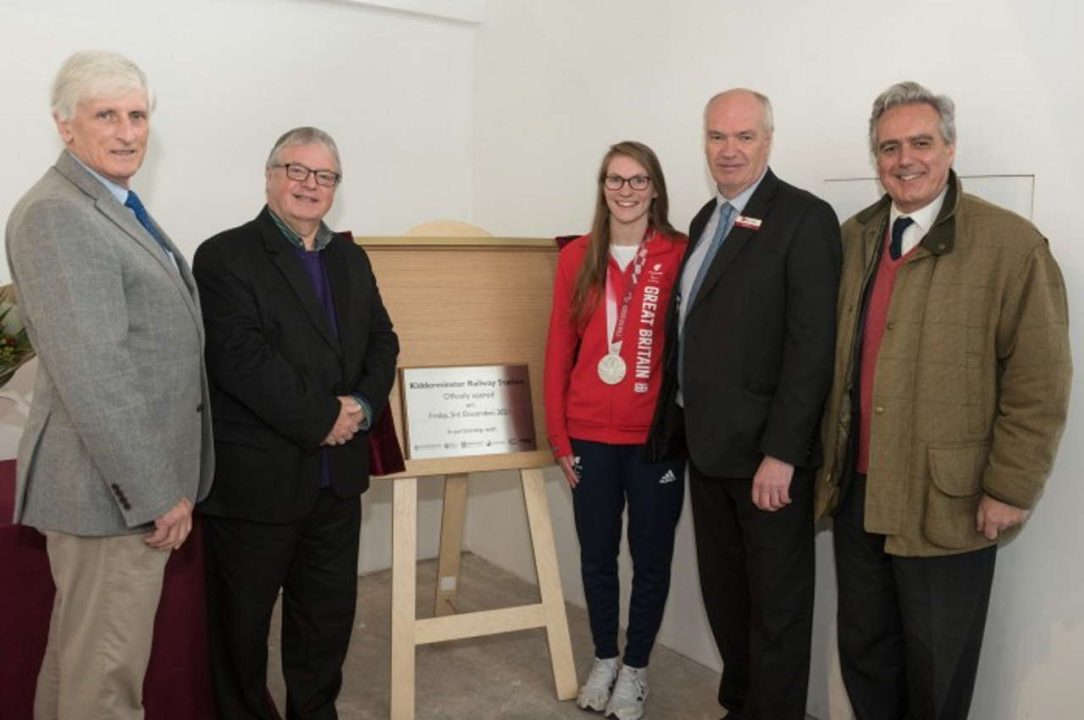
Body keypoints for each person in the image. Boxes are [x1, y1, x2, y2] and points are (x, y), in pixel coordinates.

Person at [816, 81, 1071, 720]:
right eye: (890, 147)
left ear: (950, 148)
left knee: (938, 667)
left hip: (948, 503)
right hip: (857, 494)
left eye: (921, 142)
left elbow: (1040, 382)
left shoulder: (1011, 246)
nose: (906, 159)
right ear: (875, 159)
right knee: (866, 653)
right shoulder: (853, 240)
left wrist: (1010, 487)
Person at [4, 50, 214, 719]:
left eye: (137, 115)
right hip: (110, 494)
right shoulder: (58, 214)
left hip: (111, 486)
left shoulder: (108, 203)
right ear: (66, 127)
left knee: (82, 669)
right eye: (106, 116)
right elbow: (97, 372)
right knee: (105, 685)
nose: (127, 132)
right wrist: (156, 491)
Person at [193, 127, 399, 719]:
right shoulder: (224, 255)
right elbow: (239, 358)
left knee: (325, 622)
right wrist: (324, 418)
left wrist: (360, 405)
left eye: (324, 175)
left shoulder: (349, 257)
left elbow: (382, 339)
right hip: (257, 483)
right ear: (270, 175)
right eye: (297, 170)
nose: (310, 185)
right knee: (241, 630)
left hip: (337, 482)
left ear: (336, 186)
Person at [648, 89, 841, 720]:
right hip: (708, 453)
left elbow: (812, 349)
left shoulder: (805, 218)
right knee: (727, 600)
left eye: (744, 137)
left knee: (777, 612)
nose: (728, 150)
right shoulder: (707, 219)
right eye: (716, 137)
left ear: (768, 141)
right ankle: (741, 706)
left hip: (767, 462)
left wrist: (783, 454)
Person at [544, 141, 687, 720]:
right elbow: (559, 347)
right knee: (597, 556)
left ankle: (636, 668)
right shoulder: (578, 256)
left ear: (655, 188)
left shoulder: (680, 252)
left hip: (655, 441)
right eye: (614, 180)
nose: (625, 191)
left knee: (651, 559)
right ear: (602, 188)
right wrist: (559, 436)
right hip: (587, 436)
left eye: (637, 180)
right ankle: (605, 655)